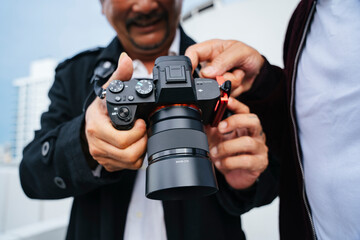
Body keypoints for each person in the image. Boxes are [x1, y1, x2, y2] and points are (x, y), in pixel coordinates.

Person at [19, 0, 279, 240]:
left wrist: (246, 180)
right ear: (102, 4)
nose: (143, 5)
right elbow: (31, 176)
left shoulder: (228, 72)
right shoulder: (75, 74)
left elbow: (283, 176)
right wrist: (86, 145)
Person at [185, 0, 360, 239]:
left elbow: (270, 177)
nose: (143, 4)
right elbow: (306, 128)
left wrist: (245, 182)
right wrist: (262, 82)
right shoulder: (305, 19)